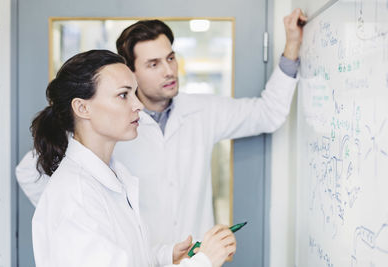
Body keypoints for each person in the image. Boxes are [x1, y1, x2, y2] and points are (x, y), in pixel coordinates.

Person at [17, 9, 306, 265]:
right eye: (153, 64)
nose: (169, 71)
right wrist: (84, 216)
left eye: (170, 58)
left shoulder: (198, 111)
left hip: (177, 255)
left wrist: (292, 45)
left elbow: (268, 113)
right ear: (131, 72)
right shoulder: (87, 164)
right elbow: (35, 177)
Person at [31, 49, 236, 267]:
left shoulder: (114, 174)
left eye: (135, 94)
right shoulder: (76, 195)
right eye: (123, 95)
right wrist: (205, 261)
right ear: (82, 107)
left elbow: (121, 257)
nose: (138, 105)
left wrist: (165, 257)